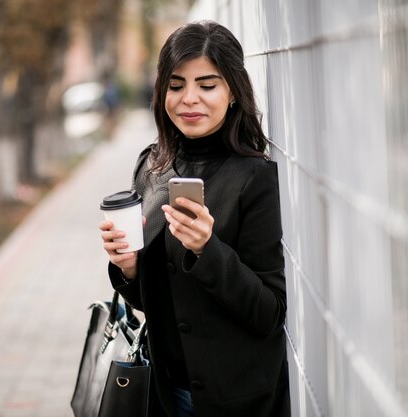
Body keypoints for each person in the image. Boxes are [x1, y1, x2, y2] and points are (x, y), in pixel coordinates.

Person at [99, 20, 289, 417]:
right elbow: (156, 302)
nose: (189, 99)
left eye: (207, 85)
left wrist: (207, 249)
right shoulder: (152, 166)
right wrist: (129, 268)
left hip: (234, 400)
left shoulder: (254, 177)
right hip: (166, 393)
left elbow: (268, 312)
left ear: (233, 91)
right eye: (175, 85)